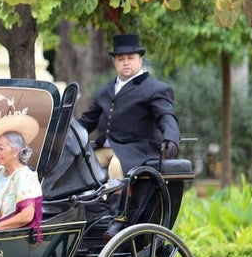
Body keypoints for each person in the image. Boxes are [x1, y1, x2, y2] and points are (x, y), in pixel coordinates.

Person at [76, 32, 180, 235]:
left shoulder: (155, 89)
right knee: (80, 163)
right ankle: (87, 216)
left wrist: (171, 137)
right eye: (121, 59)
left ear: (140, 60)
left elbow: (166, 116)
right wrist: (63, 136)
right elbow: (85, 123)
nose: (126, 63)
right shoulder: (104, 92)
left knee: (116, 166)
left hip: (137, 150)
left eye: (130, 58)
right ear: (115, 62)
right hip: (106, 147)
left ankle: (118, 219)